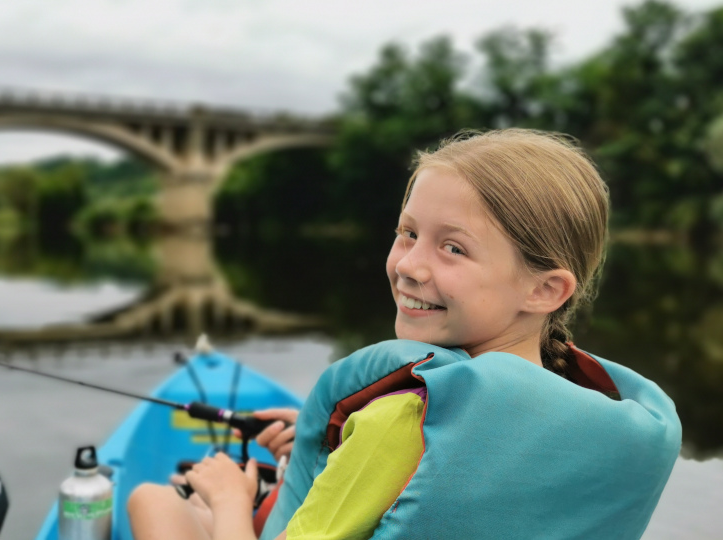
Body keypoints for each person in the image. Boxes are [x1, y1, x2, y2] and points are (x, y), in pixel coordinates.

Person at [127, 129, 682, 540]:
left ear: (544, 290)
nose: (410, 265)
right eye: (408, 233)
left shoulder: (401, 419)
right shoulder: (590, 420)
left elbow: (410, 446)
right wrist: (329, 445)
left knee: (154, 501)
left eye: (453, 248)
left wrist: (230, 498)